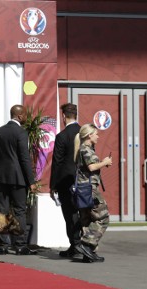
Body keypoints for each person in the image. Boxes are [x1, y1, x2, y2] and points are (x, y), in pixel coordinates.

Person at [0, 104, 37, 255]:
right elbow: (24, 159)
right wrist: (31, 181)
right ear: (19, 116)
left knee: (2, 211)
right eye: (25, 115)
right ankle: (20, 245)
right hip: (18, 178)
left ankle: (3, 245)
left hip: (2, 175)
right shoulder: (21, 132)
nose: (26, 117)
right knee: (20, 211)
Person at [71, 123, 112, 263]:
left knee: (87, 219)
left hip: (84, 189)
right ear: (89, 135)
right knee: (103, 217)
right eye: (96, 134)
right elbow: (92, 166)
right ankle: (87, 244)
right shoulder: (86, 150)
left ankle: (88, 253)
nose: (98, 136)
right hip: (90, 190)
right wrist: (105, 162)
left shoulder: (83, 149)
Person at [49, 103, 81, 257]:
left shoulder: (62, 136)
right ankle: (85, 244)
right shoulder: (85, 132)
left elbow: (57, 163)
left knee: (70, 215)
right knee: (84, 214)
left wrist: (53, 185)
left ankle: (75, 246)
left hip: (66, 182)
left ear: (63, 116)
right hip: (84, 181)